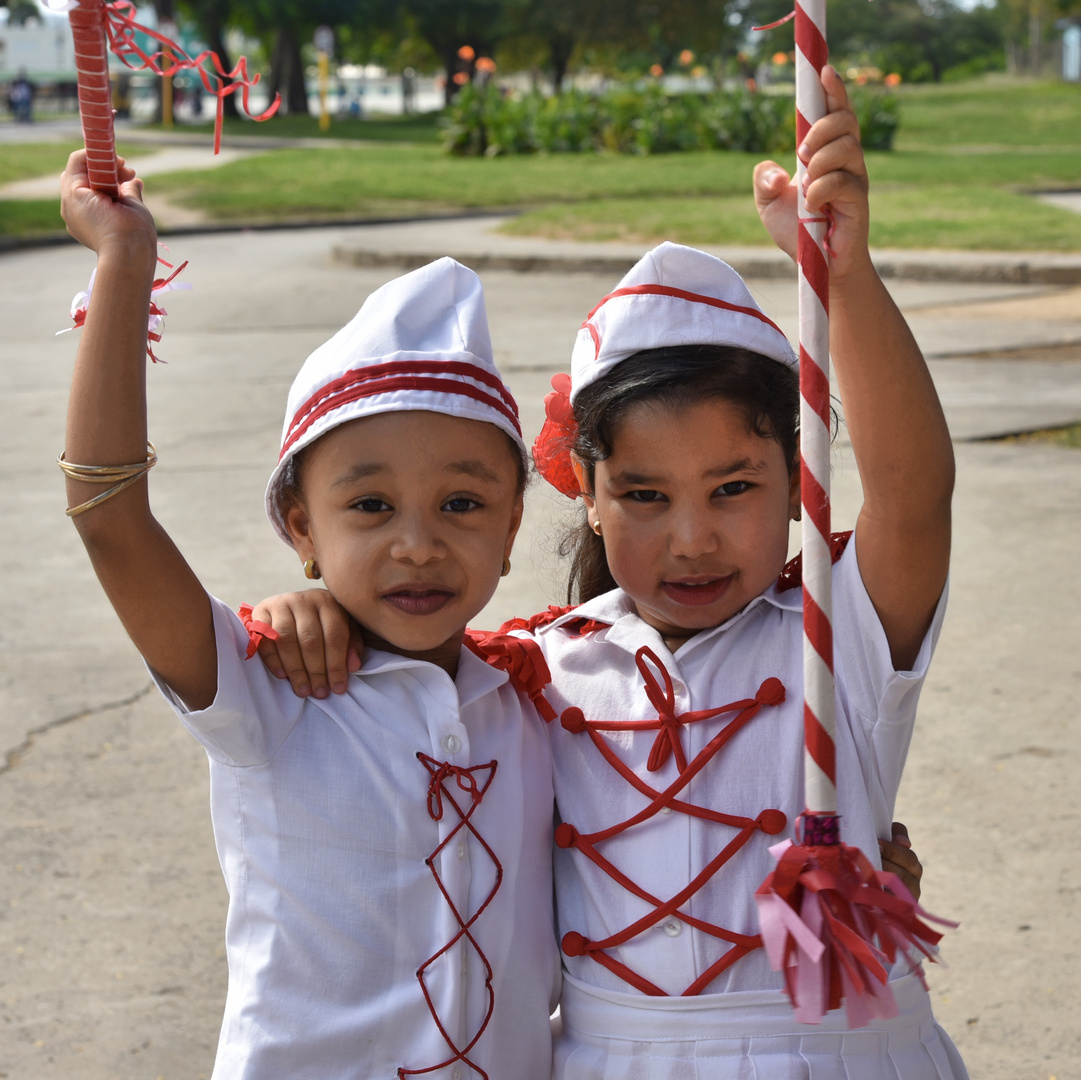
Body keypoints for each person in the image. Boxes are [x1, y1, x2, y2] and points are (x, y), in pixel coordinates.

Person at [251, 67, 962, 1076]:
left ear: (799, 475)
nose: (691, 540)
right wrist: (318, 606)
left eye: (733, 488)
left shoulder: (840, 629)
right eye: (643, 494)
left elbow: (912, 492)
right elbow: (406, 670)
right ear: (582, 488)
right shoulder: (530, 672)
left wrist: (843, 277)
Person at [57, 148, 560, 1079]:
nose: (417, 545)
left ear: (513, 524)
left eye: (462, 503)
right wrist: (123, 260)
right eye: (368, 507)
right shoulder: (264, 689)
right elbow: (110, 521)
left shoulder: (544, 703)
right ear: (301, 525)